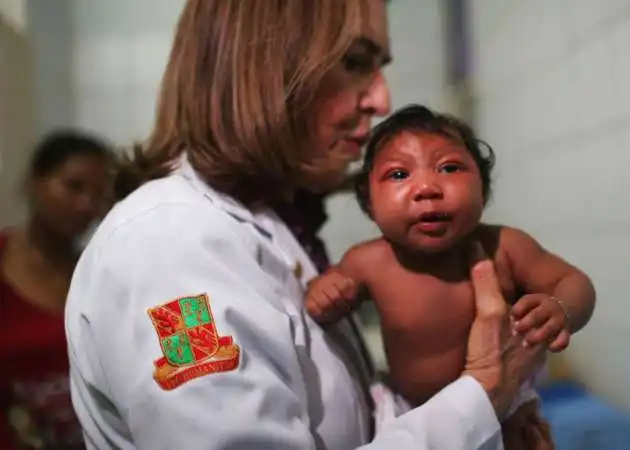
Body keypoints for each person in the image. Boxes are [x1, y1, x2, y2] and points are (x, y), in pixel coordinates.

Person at [66, 1, 555, 449]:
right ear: (262, 68)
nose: (382, 100)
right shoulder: (168, 247)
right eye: (355, 63)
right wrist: (482, 393)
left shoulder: (271, 227)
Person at [305, 105, 596, 449]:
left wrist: (560, 308)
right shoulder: (368, 261)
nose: (427, 187)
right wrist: (324, 296)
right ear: (370, 204)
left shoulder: (504, 247)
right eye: (399, 175)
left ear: (483, 192)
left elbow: (575, 282)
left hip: (506, 406)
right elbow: (321, 296)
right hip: (409, 412)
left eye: (449, 168)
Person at [0, 131, 115, 449]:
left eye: (99, 194)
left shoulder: (99, 275)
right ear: (34, 183)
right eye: (73, 186)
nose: (86, 204)